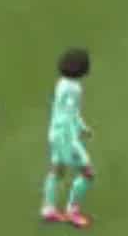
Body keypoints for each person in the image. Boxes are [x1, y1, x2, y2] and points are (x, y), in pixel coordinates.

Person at [40, 48, 95, 228]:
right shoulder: (74, 89)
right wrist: (74, 140)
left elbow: (63, 111)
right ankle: (72, 212)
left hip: (55, 133)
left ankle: (48, 209)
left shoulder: (62, 83)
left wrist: (82, 127)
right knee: (87, 173)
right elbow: (69, 115)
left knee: (57, 170)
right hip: (66, 137)